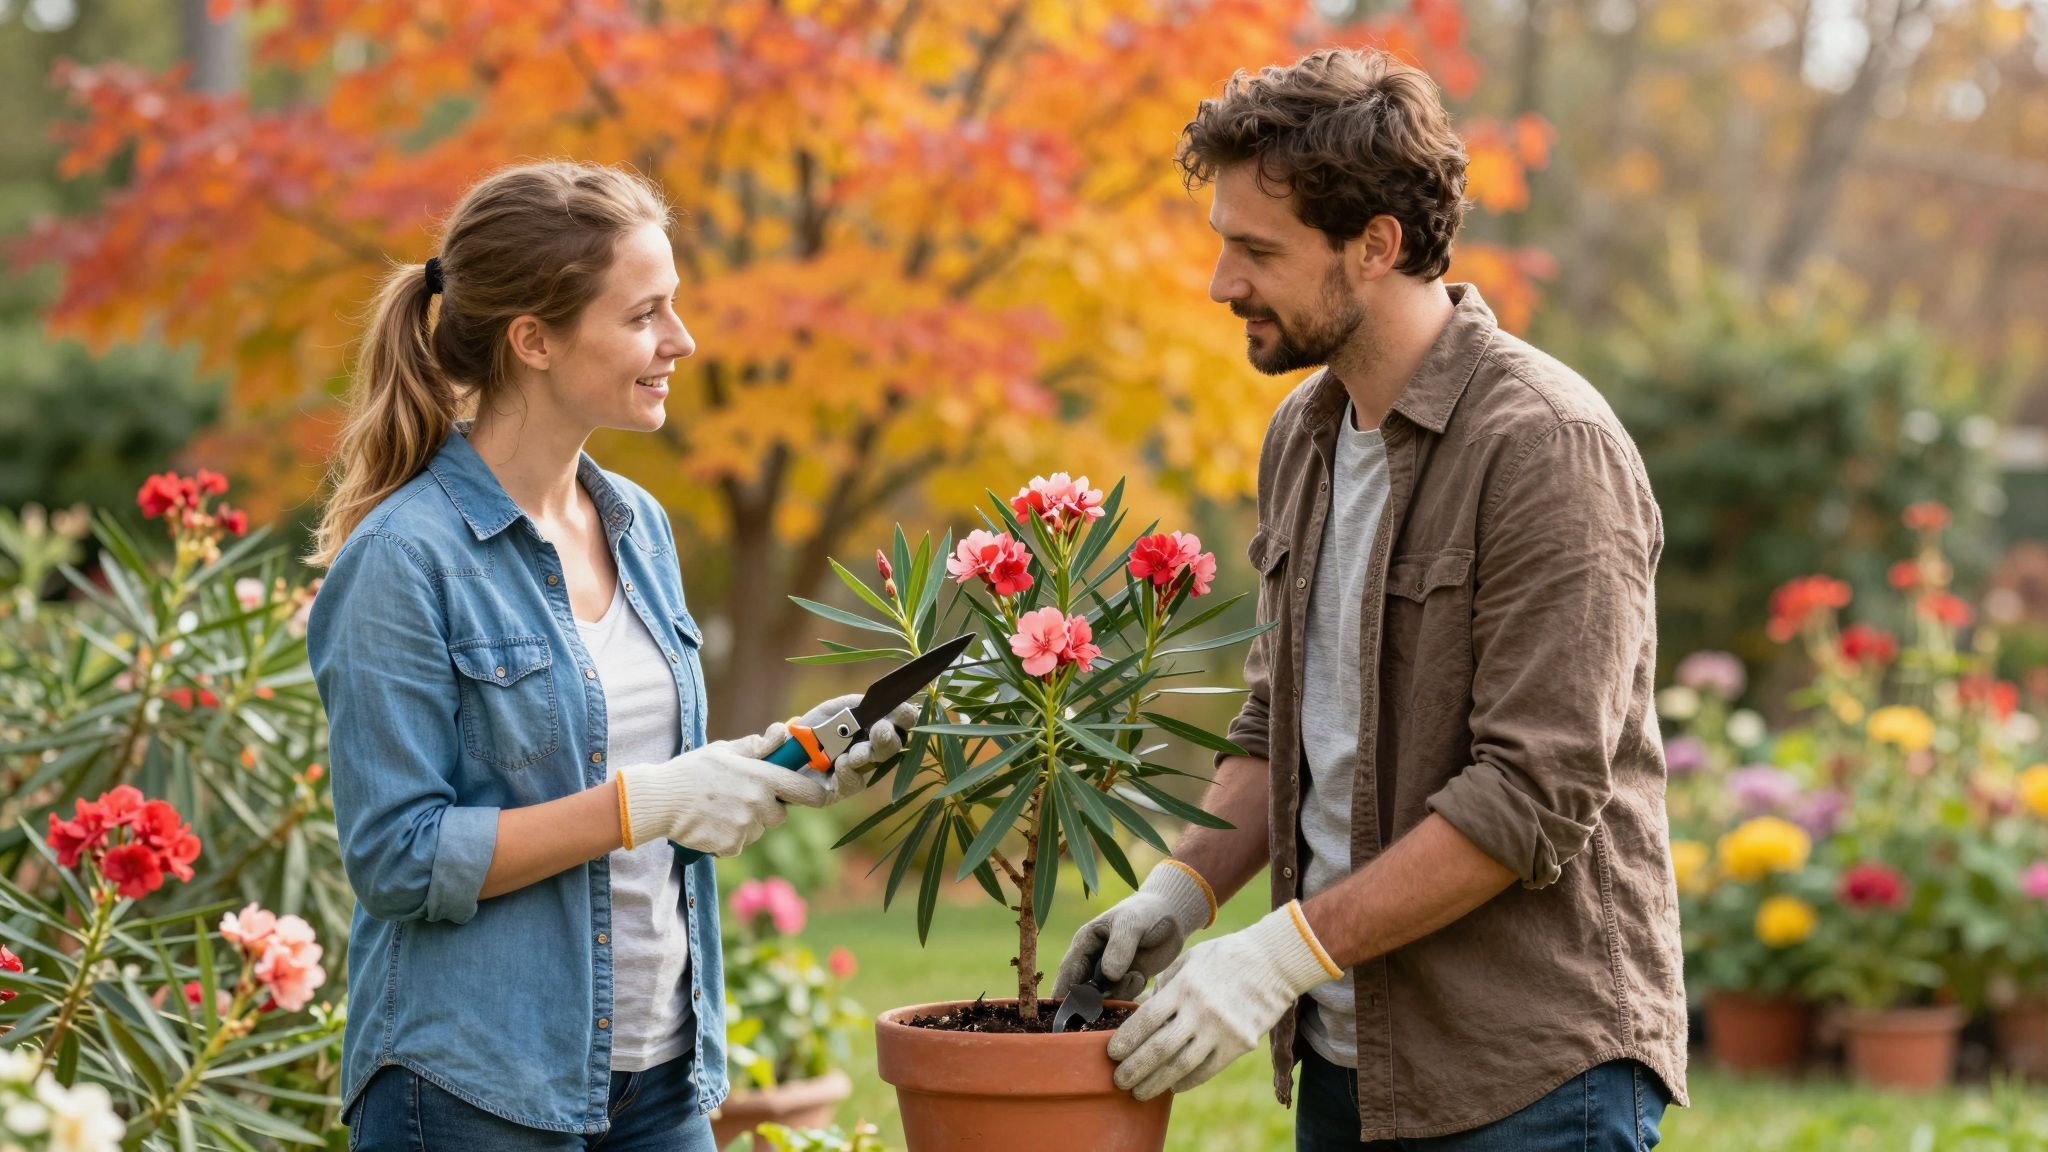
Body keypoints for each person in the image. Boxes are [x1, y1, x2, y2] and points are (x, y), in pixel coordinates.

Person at [1054, 47, 1685, 1150]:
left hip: (1527, 1081)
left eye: (1256, 251)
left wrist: (1276, 953)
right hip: (1350, 1060)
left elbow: (1531, 792)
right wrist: (1178, 895)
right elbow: (1276, 727)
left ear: (1375, 245)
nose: (1220, 285)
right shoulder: (1302, 434)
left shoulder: (1544, 447)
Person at [305, 161, 914, 1150]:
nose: (680, 341)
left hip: (660, 1078)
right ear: (533, 341)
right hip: (473, 1085)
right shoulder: (402, 562)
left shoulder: (638, 526)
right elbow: (397, 858)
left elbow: (623, 762)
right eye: (643, 316)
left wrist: (773, 762)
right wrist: (645, 804)